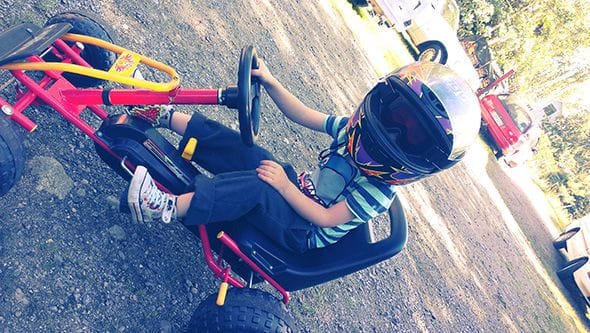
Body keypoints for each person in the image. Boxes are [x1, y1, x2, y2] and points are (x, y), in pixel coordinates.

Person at [125, 60, 481, 253]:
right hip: (299, 194)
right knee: (252, 153)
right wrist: (271, 81)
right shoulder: (351, 131)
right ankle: (164, 115)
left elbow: (325, 219)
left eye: (412, 136)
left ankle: (166, 207)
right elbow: (303, 114)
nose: (394, 133)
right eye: (397, 117)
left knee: (261, 187)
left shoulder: (378, 193)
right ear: (383, 102)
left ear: (424, 159)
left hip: (303, 231)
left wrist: (283, 187)